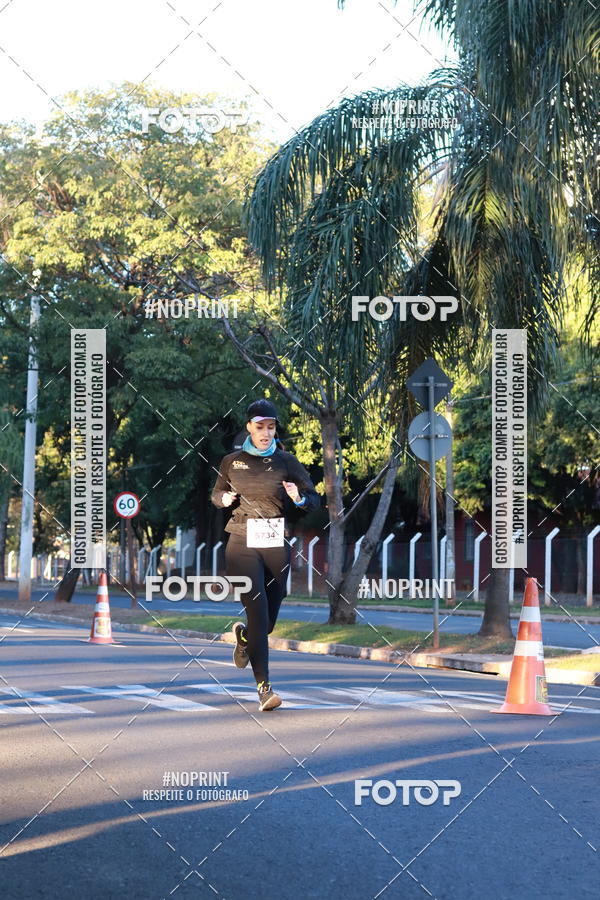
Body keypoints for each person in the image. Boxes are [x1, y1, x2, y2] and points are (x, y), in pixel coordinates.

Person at [211, 398, 319, 711]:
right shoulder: (232, 461)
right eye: (260, 427)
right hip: (241, 541)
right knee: (258, 614)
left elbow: (313, 499)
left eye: (271, 427)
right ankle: (264, 689)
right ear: (249, 427)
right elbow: (216, 493)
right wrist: (224, 497)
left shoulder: (287, 461)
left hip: (274, 539)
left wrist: (299, 498)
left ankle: (245, 637)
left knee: (269, 618)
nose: (266, 433)